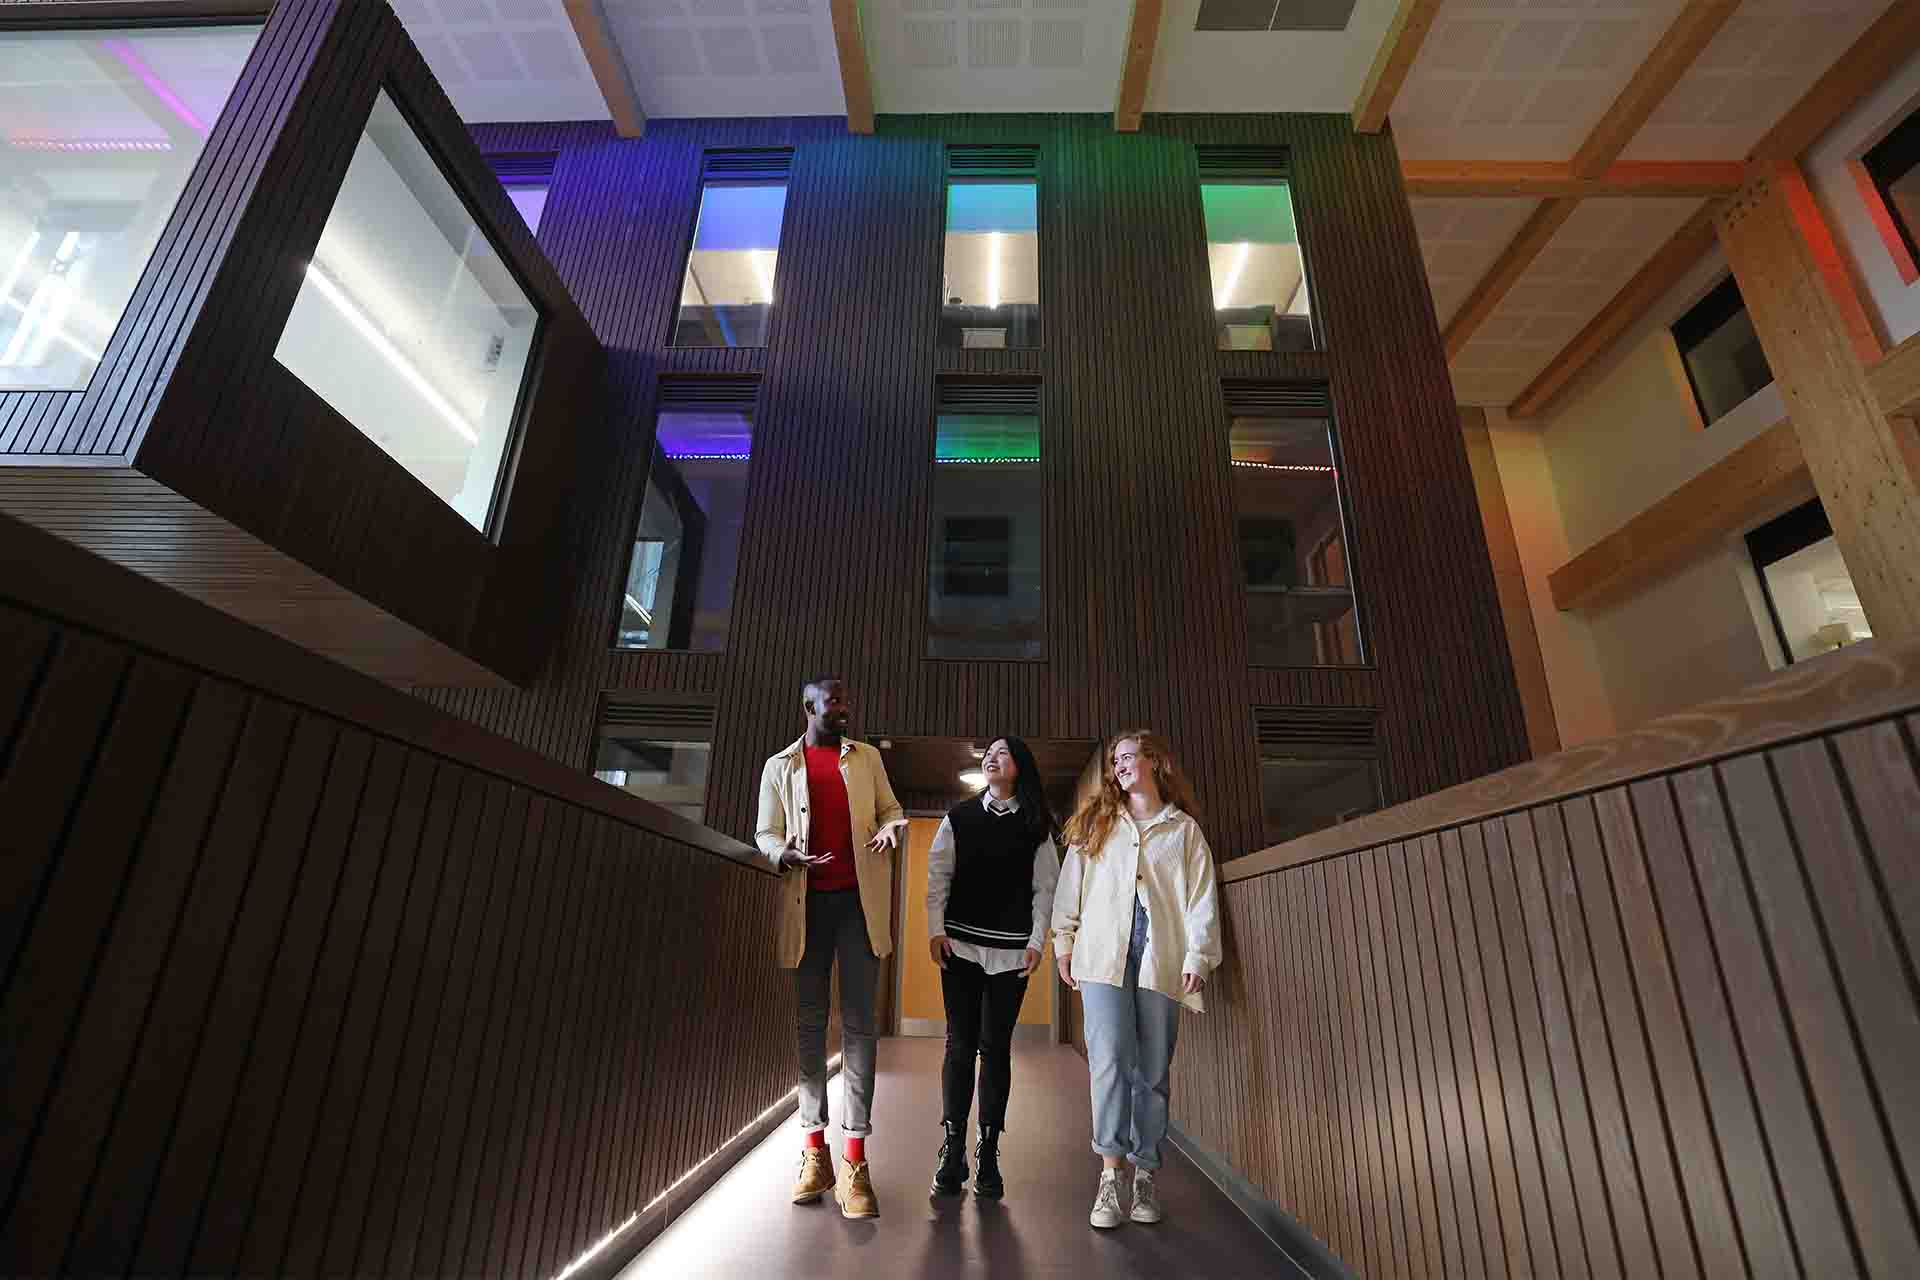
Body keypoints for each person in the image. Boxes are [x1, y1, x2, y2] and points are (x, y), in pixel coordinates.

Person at [1051, 730, 1221, 1230]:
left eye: (1130, 756)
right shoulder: (1096, 823)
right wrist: (1064, 942)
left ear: (1155, 761)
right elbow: (1070, 888)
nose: (1121, 765)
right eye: (1115, 760)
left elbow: (1200, 898)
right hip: (1102, 956)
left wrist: (1200, 955)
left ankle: (1145, 1173)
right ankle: (1110, 1175)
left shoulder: (1183, 830)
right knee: (1108, 1061)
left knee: (1152, 1069)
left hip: (1160, 959)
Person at [755, 676, 906, 1219]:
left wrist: (892, 830)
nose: (843, 707)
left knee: (862, 1025)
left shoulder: (865, 759)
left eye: (846, 699)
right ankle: (814, 1152)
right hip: (808, 908)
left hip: (858, 908)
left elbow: (892, 810)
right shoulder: (779, 766)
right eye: (833, 701)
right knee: (810, 1024)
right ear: (808, 708)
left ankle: (856, 1161)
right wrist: (784, 855)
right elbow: (764, 834)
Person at [925, 736, 1061, 1200]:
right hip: (959, 945)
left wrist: (1038, 942)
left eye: (1002, 753)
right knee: (959, 1043)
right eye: (989, 752)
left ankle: (987, 1149)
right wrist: (934, 930)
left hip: (1011, 952)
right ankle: (951, 1147)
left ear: (1020, 766)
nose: (991, 757)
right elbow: (937, 876)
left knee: (996, 1046)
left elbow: (1047, 890)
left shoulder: (1039, 824)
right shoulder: (958, 818)